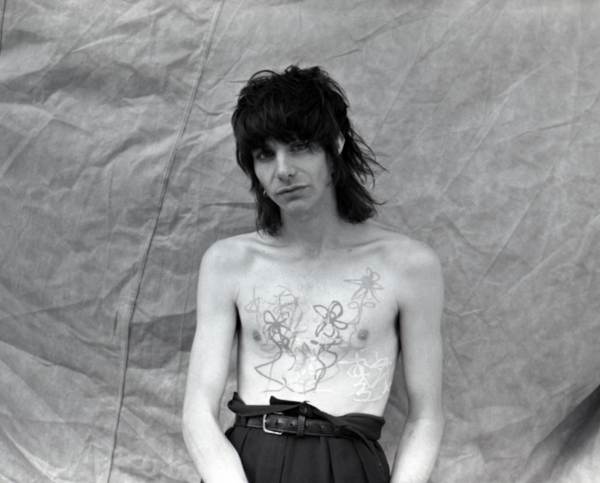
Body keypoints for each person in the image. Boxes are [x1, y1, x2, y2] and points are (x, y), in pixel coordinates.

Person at [183, 65, 444, 483]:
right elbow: (198, 410)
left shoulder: (409, 267)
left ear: (335, 145)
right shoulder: (227, 263)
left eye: (299, 146)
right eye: (264, 154)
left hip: (351, 467)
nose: (283, 169)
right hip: (246, 466)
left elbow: (426, 416)